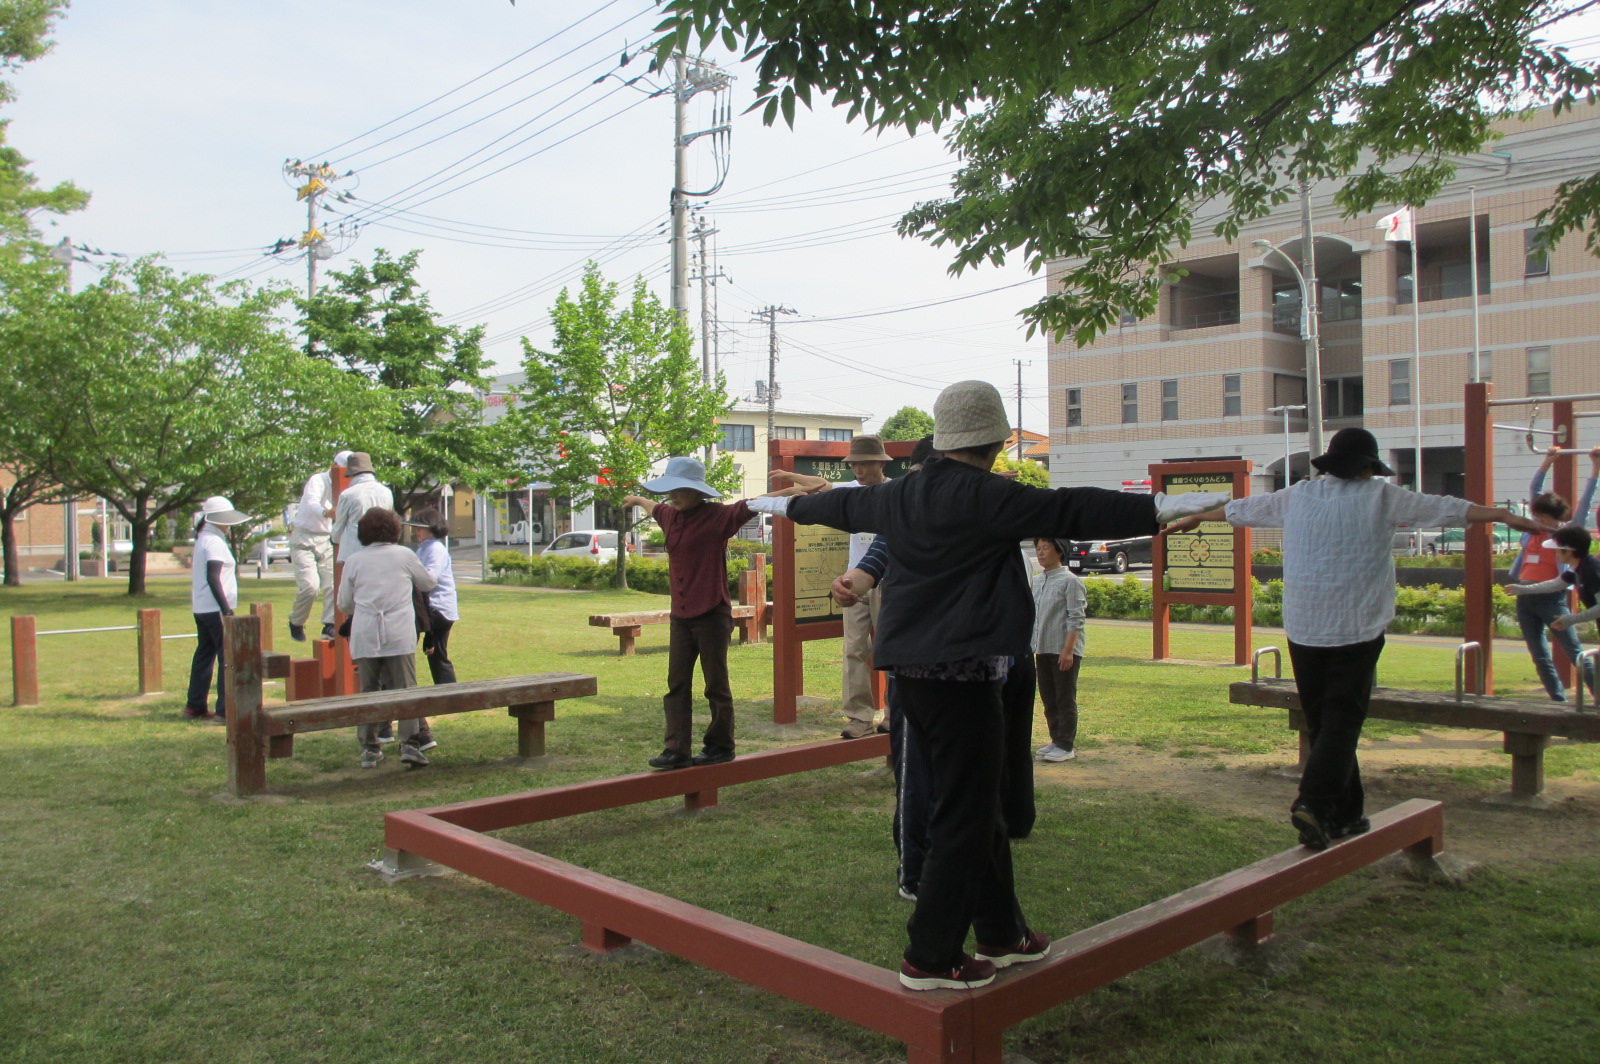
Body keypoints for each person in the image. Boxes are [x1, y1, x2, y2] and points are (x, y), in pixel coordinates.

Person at [748, 380, 1222, 992]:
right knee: (967, 816)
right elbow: (1073, 506)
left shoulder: (898, 496)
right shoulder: (992, 496)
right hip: (965, 675)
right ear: (997, 442)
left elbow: (836, 507)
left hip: (913, 677)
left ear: (944, 440)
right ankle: (930, 955)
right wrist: (1165, 509)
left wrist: (774, 504)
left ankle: (1002, 933)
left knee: (976, 806)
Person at [1166, 427, 1541, 851]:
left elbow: (1244, 509)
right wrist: (1505, 516)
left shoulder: (1298, 496)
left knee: (1327, 722)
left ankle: (1347, 815)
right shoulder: (1381, 496)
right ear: (1367, 467)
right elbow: (1446, 509)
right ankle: (1314, 801)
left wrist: (1198, 516)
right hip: (1356, 627)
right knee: (1343, 722)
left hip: (1304, 627)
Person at [622, 456, 754, 770]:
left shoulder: (719, 517)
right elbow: (652, 506)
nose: (672, 496)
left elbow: (752, 504)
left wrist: (791, 491)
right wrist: (636, 498)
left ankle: (721, 745)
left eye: (679, 489)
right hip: (681, 616)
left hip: (712, 613)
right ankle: (676, 750)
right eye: (670, 489)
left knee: (715, 684)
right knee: (677, 683)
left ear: (697, 491)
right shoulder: (669, 514)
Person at [771, 434, 895, 738]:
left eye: (864, 463)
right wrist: (789, 477)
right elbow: (819, 485)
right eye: (854, 464)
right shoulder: (850, 491)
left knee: (890, 649)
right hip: (853, 580)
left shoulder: (896, 491)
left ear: (880, 462)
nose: (858, 470)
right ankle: (859, 716)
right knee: (853, 648)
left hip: (889, 581)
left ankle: (895, 713)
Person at [335, 507, 437, 770]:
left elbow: (344, 603)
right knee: (405, 689)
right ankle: (410, 744)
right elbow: (427, 584)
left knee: (368, 691)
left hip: (366, 632)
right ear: (395, 530)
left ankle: (369, 747)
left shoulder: (355, 560)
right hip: (399, 632)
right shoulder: (404, 555)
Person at [1506, 446, 1599, 703]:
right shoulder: (1532, 531)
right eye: (1536, 514)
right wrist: (1548, 460)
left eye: (1542, 516)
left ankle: (1598, 698)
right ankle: (1558, 702)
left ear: (1554, 517)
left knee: (1574, 651)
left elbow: (1585, 503)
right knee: (1539, 654)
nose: (1537, 518)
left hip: (1552, 598)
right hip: (1526, 596)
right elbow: (1534, 491)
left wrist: (1595, 467)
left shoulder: (1564, 535)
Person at [1508, 525, 1599, 699]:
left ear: (1569, 551)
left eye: (1558, 549)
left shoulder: (1591, 569)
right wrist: (1522, 589)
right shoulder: (1577, 567)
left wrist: (1571, 619)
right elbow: (1555, 584)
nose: (1555, 553)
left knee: (1577, 654)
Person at [183, 496, 252, 721]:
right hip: (215, 608)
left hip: (202, 607)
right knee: (227, 657)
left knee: (204, 654)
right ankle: (224, 710)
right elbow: (214, 577)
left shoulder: (204, 537)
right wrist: (226, 610)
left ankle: (195, 705)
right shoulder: (214, 541)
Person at [1031, 537, 1086, 762]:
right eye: (1038, 548)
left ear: (1059, 551)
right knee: (1048, 696)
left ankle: (1066, 744)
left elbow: (1076, 617)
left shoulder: (1070, 581)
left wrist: (1068, 650)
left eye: (1046, 548)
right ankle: (1055, 738)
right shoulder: (1036, 581)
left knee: (1064, 696)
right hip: (1042, 647)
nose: (1041, 553)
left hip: (1062, 648)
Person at [287, 450, 346, 643]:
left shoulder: (348, 485)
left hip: (327, 538)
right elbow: (312, 501)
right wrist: (326, 512)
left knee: (332, 583)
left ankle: (329, 624)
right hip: (304, 537)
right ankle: (296, 621)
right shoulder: (318, 480)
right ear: (333, 465)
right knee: (310, 586)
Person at [330, 452, 393, 564]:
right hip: (381, 553)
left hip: (354, 553)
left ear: (351, 473)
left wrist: (334, 538)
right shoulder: (387, 492)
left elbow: (338, 528)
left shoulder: (348, 494)